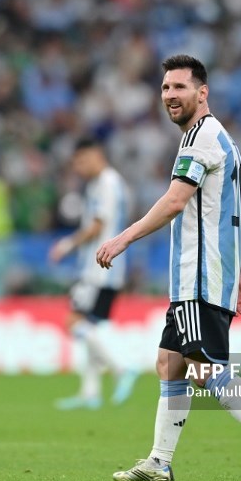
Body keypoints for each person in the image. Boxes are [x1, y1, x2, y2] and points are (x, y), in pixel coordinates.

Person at [96, 54, 241, 481]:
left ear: (202, 93)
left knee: (206, 367)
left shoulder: (201, 140)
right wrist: (239, 271)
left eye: (180, 88)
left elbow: (175, 202)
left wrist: (122, 239)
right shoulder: (219, 139)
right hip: (209, 272)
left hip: (199, 274)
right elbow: (231, 213)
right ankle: (159, 462)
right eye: (166, 88)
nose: (170, 95)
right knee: (170, 362)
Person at [49, 137, 137, 409]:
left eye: (81, 160)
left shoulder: (107, 183)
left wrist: (67, 244)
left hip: (99, 269)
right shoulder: (101, 183)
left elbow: (98, 225)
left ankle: (121, 369)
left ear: (97, 155)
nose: (78, 167)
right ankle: (90, 393)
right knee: (90, 328)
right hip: (106, 268)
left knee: (73, 322)